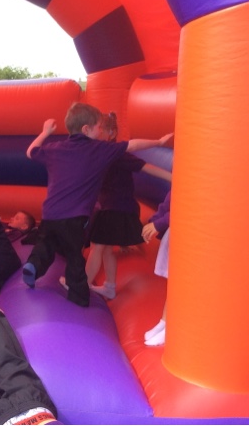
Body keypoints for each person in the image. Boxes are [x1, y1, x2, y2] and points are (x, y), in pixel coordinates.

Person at [22, 102, 174, 307]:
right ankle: (81, 294)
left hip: (54, 212)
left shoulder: (60, 147)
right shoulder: (98, 149)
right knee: (78, 254)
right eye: (98, 127)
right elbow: (134, 145)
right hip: (79, 215)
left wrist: (45, 132)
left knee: (51, 243)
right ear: (87, 129)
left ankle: (35, 265)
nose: (100, 131)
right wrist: (158, 141)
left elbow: (31, 151)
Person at [83, 112, 172, 300]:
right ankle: (109, 287)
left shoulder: (117, 154)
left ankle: (82, 285)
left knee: (97, 246)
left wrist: (172, 177)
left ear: (111, 133)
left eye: (99, 130)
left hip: (117, 207)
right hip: (110, 206)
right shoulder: (98, 153)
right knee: (106, 249)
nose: (95, 134)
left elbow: (146, 167)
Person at [142, 189, 171, 346]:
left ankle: (170, 326)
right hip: (176, 231)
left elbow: (187, 208)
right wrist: (154, 221)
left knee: (181, 285)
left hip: (189, 231)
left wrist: (158, 224)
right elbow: (169, 203)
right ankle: (164, 322)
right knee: (174, 284)